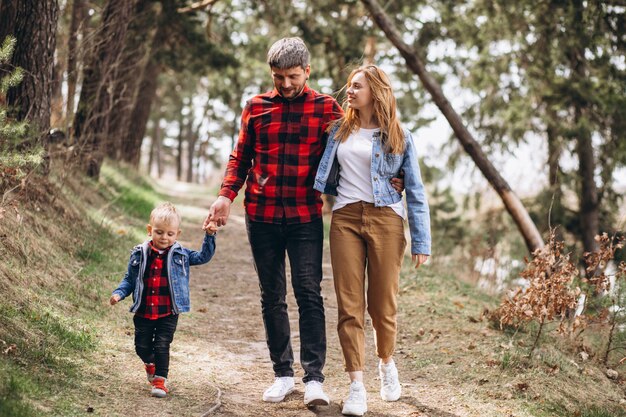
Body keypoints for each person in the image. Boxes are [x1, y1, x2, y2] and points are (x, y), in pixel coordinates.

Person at [314, 65, 431, 416]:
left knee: (382, 307)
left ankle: (386, 363)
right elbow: (323, 172)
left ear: (376, 92)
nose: (349, 91)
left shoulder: (399, 136)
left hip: (386, 221)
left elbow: (416, 190)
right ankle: (356, 387)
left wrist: (422, 241)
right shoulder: (337, 130)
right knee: (349, 306)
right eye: (348, 85)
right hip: (345, 219)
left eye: (357, 86)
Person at [111, 202, 217, 398]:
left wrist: (209, 236)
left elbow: (203, 257)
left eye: (170, 234)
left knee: (162, 344)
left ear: (177, 234)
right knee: (141, 346)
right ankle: (150, 363)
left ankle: (160, 380)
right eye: (159, 232)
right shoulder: (139, 254)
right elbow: (130, 279)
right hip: (144, 310)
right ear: (150, 230)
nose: (164, 237)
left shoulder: (181, 254)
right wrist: (119, 293)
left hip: (168, 311)